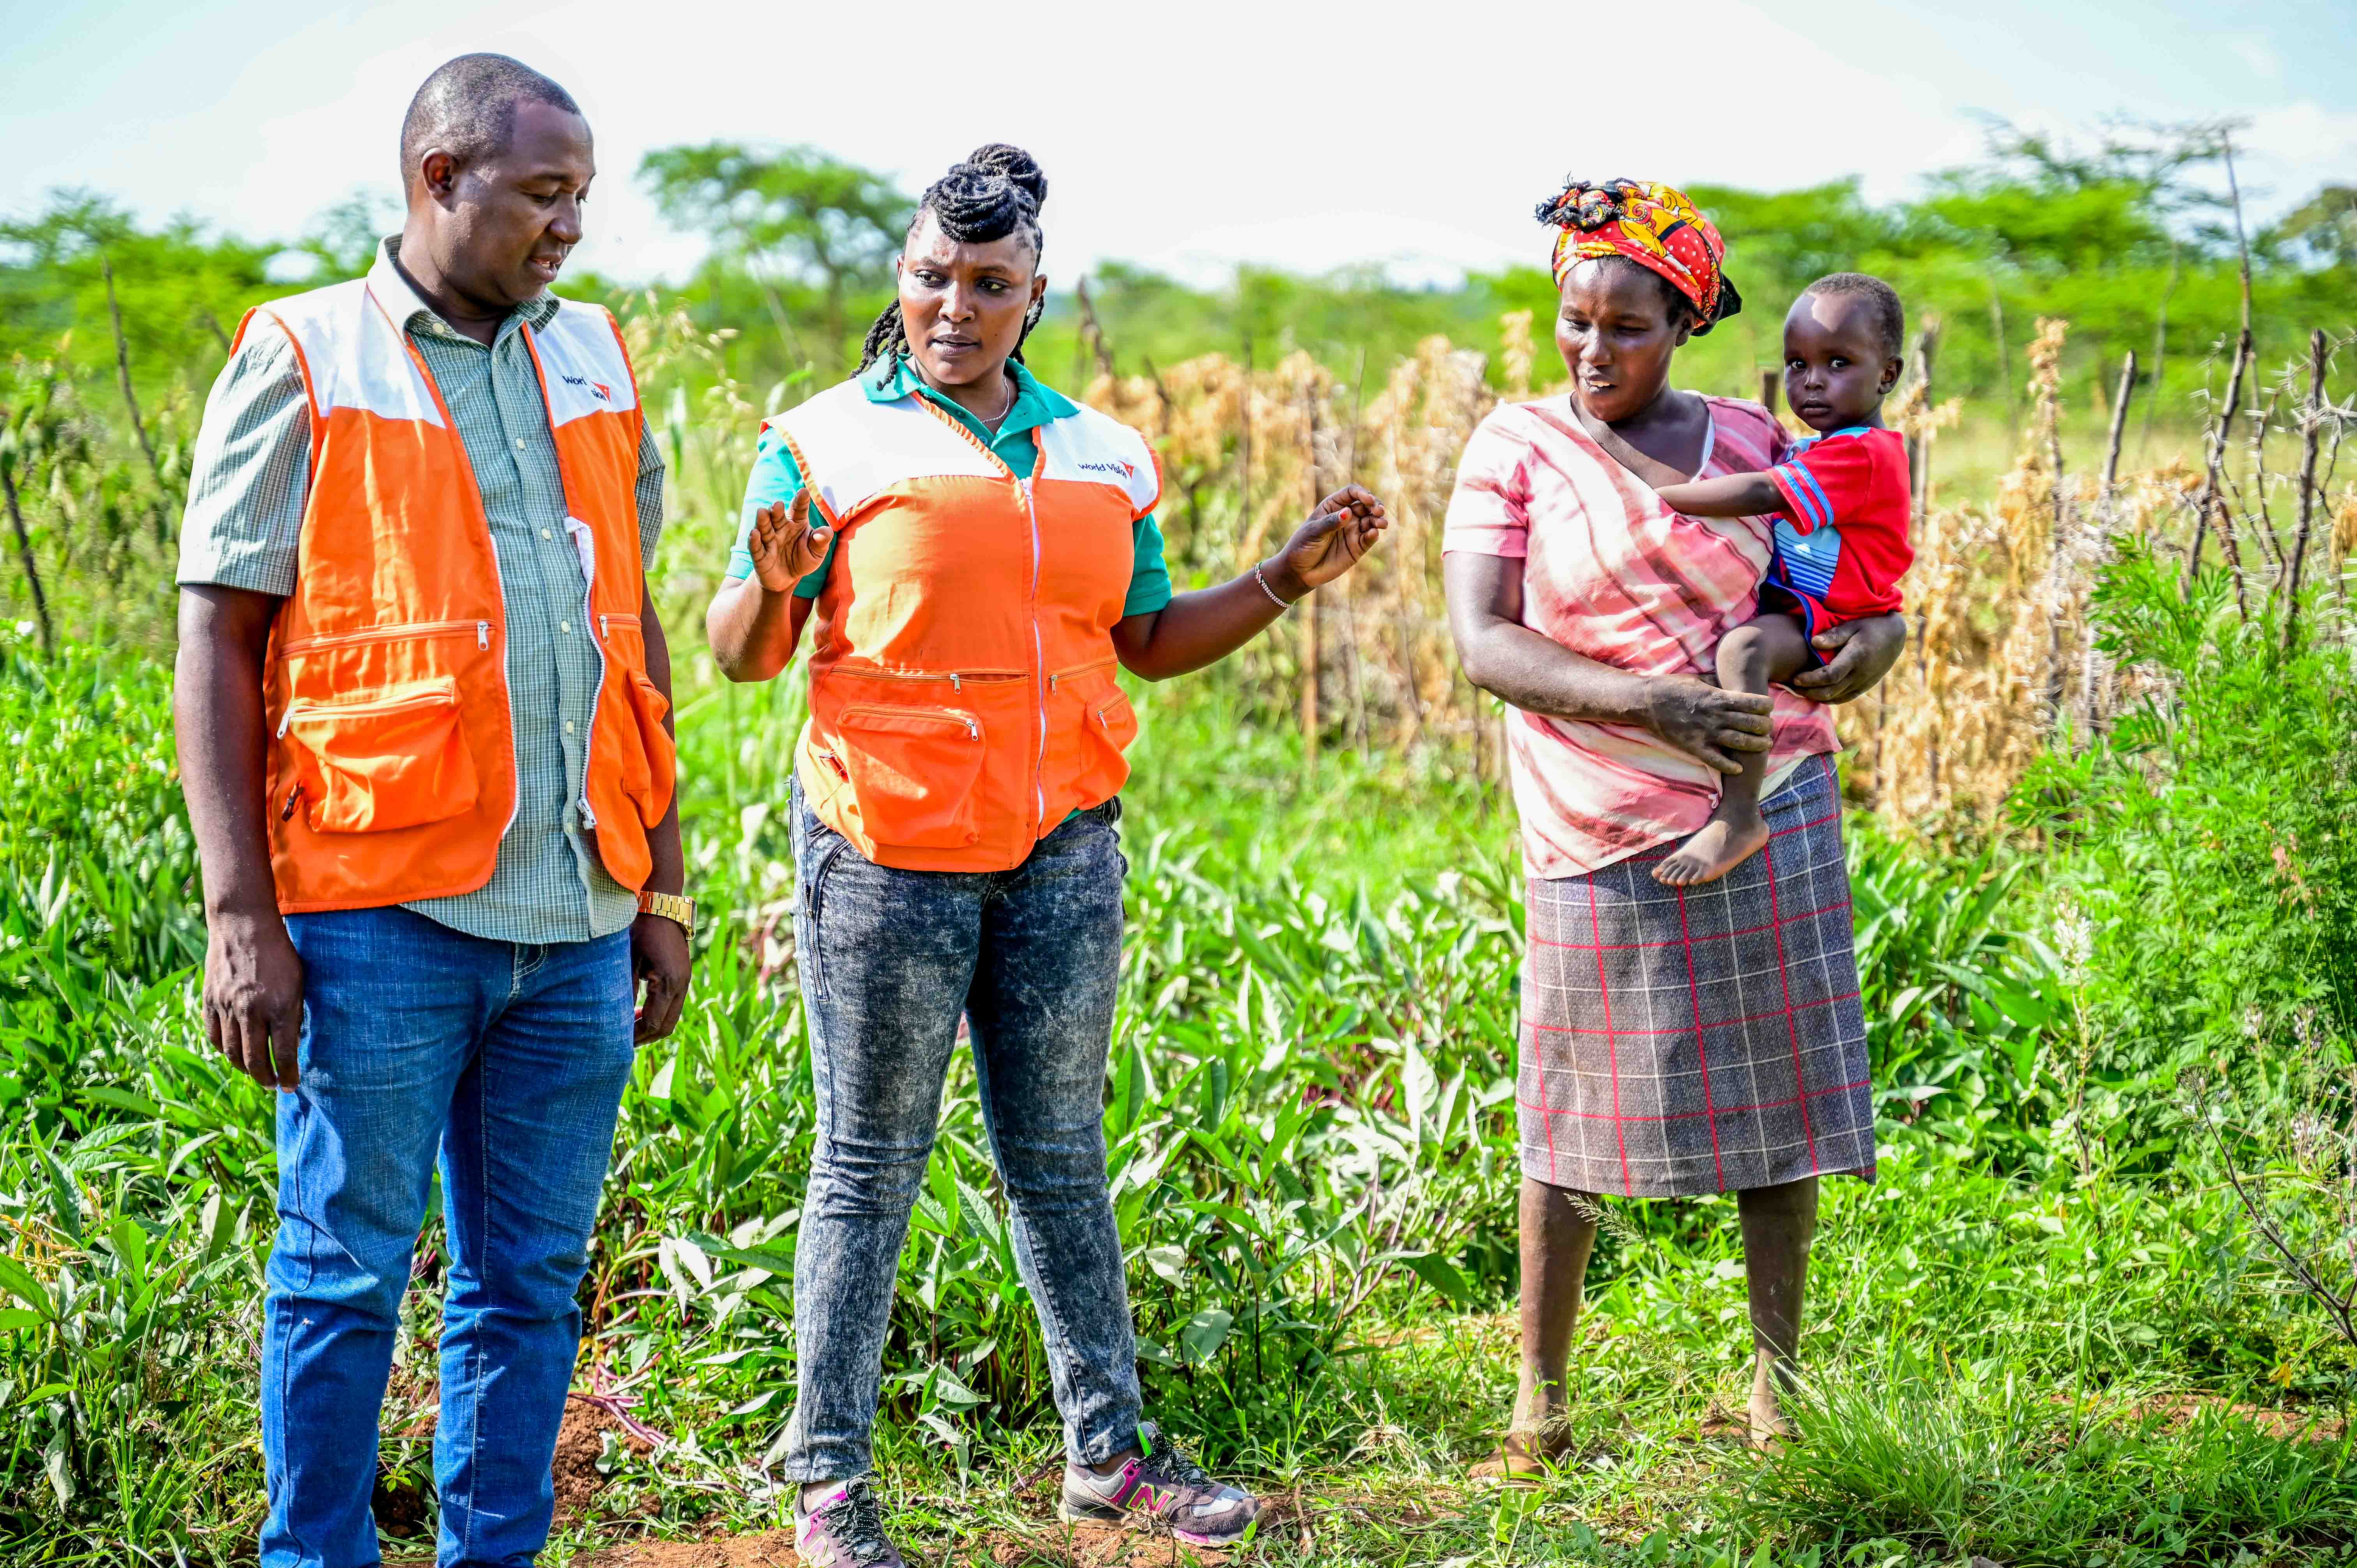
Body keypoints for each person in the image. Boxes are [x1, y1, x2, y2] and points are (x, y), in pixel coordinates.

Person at [706, 145, 1388, 1565]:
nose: (956, 303)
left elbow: (1143, 639)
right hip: (882, 848)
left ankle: (1109, 1457)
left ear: (1034, 294)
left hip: (1062, 846)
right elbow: (740, 653)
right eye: (932, 276)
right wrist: (772, 590)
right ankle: (827, 1482)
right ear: (901, 282)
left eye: (990, 283)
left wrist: (1279, 575)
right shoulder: (826, 440)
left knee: (1059, 1155)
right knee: (864, 1161)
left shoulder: (1100, 452)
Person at [173, 54, 692, 1568]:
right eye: (544, 193)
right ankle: (314, 1552)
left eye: (583, 195)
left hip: (580, 916)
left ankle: (494, 1551)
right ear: (438, 179)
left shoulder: (593, 353)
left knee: (529, 1283)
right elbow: (220, 632)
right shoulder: (306, 353)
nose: (571, 227)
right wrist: (238, 914)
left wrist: (660, 878)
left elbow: (629, 627)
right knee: (344, 1274)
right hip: (372, 914)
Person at [1441, 178, 1908, 1475]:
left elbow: (1861, 587)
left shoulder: (1764, 440)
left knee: (1781, 1112)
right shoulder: (1515, 447)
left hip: (1771, 798)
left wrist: (1863, 653)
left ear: (1686, 319)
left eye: (1628, 326)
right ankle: (1535, 1410)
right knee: (1566, 1121)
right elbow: (1484, 642)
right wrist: (1654, 704)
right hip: (1591, 817)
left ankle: (1777, 1398)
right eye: (1575, 322)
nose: (1594, 350)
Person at [1652, 272, 1914, 886]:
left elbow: (1765, 491)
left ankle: (1740, 814)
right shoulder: (1820, 445)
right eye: (1797, 364)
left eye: (1838, 363)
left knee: (1744, 648)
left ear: (1888, 375)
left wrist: (1664, 497)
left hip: (1828, 616)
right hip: (1805, 601)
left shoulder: (1863, 453)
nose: (1812, 380)